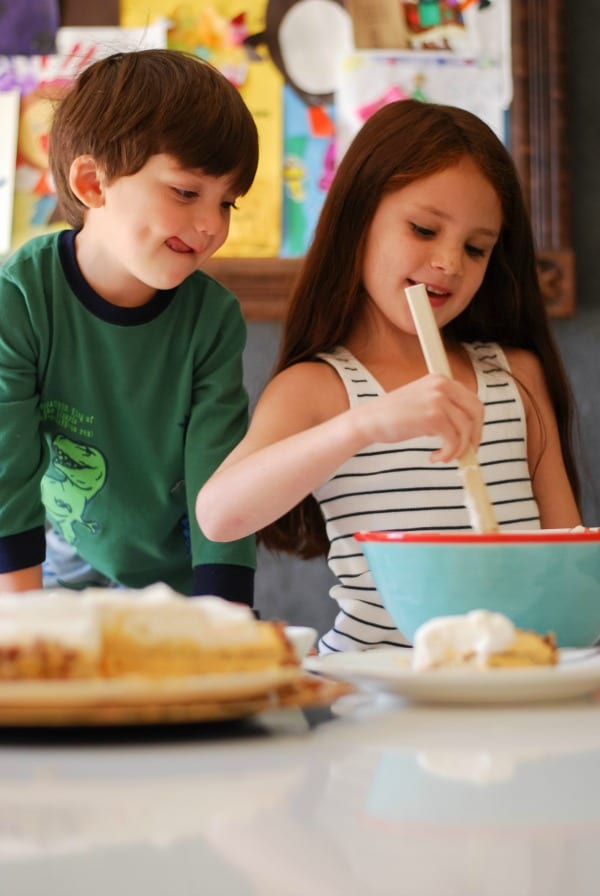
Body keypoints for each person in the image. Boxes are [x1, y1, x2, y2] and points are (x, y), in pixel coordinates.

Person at [196, 99, 582, 651]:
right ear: (359, 219)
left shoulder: (516, 376)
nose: (450, 261)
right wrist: (367, 423)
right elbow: (219, 515)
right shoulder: (318, 388)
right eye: (424, 229)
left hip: (509, 685)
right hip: (374, 690)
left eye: (476, 249)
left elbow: (567, 556)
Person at [0, 49, 258, 603]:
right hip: (57, 567)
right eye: (187, 192)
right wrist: (23, 632)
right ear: (93, 183)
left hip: (183, 577)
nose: (212, 225)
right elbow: (6, 474)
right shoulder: (18, 297)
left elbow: (221, 479)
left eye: (228, 204)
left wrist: (226, 627)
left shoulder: (212, 321)